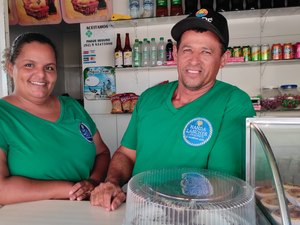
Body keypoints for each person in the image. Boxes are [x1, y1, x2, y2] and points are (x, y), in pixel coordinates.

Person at [90, 8, 256, 211]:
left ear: (223, 59)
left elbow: (222, 182)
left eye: (206, 51)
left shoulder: (234, 103)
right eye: (187, 50)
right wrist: (113, 182)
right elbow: (126, 154)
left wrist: (159, 199)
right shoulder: (149, 98)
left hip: (197, 217)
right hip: (138, 213)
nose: (194, 60)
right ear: (176, 53)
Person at [0, 33, 110, 205]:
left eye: (49, 67)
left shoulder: (72, 107)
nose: (41, 75)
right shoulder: (4, 115)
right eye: (29, 65)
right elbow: (2, 190)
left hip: (84, 214)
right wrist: (71, 189)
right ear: (9, 68)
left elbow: (102, 153)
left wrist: (93, 182)